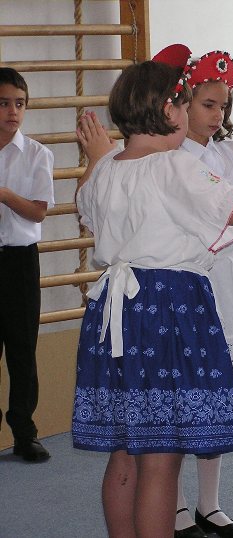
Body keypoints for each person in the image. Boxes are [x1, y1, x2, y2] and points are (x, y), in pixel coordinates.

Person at [72, 59, 233, 538]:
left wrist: (95, 158)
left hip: (115, 314)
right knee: (161, 458)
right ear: (170, 111)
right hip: (167, 310)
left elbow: (85, 207)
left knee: (125, 450)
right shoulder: (174, 166)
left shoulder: (106, 168)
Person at [0, 67, 54, 463]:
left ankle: (24, 432)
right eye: (3, 103)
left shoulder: (37, 154)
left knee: (22, 350)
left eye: (19, 104)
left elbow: (37, 211)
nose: (12, 112)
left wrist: (3, 194)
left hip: (19, 262)